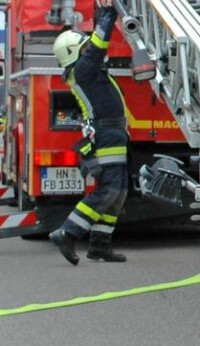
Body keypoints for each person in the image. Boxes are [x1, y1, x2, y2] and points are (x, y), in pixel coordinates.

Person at [49, 0, 130, 265]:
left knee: (119, 190)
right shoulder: (82, 69)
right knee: (109, 190)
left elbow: (95, 48)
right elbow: (98, 45)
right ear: (73, 53)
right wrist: (110, 13)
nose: (87, 50)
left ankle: (99, 246)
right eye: (82, 48)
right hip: (106, 135)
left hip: (112, 133)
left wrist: (103, 13)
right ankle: (67, 233)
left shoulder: (85, 71)